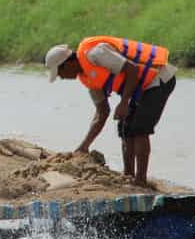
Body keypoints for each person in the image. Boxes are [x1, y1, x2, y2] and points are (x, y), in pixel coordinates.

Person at [45, 37, 177, 187]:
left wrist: (124, 102)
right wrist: (84, 146)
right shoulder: (87, 78)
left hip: (158, 78)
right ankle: (128, 176)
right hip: (138, 86)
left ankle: (140, 180)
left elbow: (132, 70)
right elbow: (102, 112)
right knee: (124, 128)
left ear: (68, 63)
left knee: (139, 128)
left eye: (60, 72)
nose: (61, 77)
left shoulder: (96, 54)